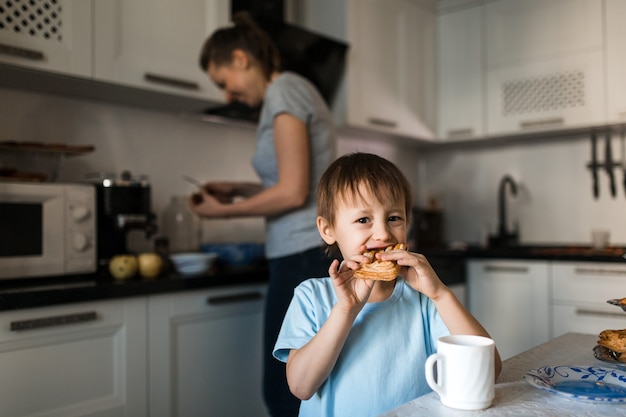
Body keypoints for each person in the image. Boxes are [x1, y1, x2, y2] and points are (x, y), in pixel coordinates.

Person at [273, 153, 502, 417]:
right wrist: (346, 310)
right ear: (328, 229)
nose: (383, 234)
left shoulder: (423, 300)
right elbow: (301, 387)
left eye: (394, 218)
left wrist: (440, 294)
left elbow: (489, 372)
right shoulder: (311, 296)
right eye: (363, 220)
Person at [191, 12, 337, 417]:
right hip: (303, 252)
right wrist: (237, 190)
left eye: (223, 82)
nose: (226, 95)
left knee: (285, 390)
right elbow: (299, 185)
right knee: (301, 385)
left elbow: (291, 193)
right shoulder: (288, 93)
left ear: (240, 58)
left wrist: (223, 213)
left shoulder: (285, 90)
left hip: (303, 254)